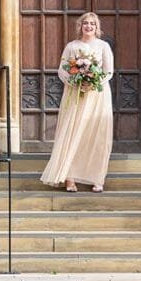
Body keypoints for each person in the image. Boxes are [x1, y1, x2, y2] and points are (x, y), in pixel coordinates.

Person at [40, 12, 114, 193]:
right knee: (72, 133)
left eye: (92, 24)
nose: (89, 26)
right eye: (85, 23)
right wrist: (75, 82)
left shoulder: (103, 46)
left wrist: (92, 82)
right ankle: (70, 179)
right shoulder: (72, 46)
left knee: (96, 135)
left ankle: (97, 179)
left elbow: (108, 71)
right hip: (75, 94)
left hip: (97, 95)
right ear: (80, 26)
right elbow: (62, 69)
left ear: (97, 28)